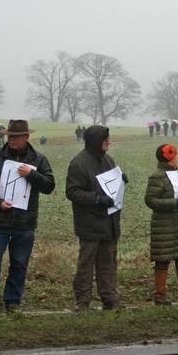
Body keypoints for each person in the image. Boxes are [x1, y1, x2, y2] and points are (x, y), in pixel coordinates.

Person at [0, 120, 55, 314]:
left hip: (25, 223)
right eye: (9, 136)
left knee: (19, 265)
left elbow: (49, 186)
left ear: (26, 137)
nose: (11, 139)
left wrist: (31, 174)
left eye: (16, 137)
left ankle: (12, 303)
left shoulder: (39, 159)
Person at [65, 125, 127, 310]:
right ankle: (83, 301)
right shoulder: (78, 164)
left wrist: (121, 180)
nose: (109, 142)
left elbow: (112, 185)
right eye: (105, 139)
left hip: (109, 222)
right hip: (90, 223)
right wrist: (98, 199)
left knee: (108, 262)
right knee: (86, 264)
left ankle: (110, 298)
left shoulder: (108, 159)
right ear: (96, 141)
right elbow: (72, 192)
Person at [144, 144, 178, 305]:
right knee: (163, 261)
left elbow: (177, 191)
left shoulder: (174, 174)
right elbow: (150, 200)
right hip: (165, 225)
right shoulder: (157, 176)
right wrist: (172, 203)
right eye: (174, 155)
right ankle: (159, 295)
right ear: (169, 158)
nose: (177, 158)